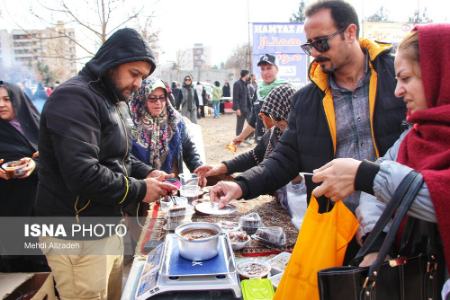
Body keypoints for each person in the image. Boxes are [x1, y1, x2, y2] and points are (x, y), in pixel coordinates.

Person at [210, 0, 406, 217]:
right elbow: (283, 158)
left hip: (403, 219)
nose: (314, 52)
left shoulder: (399, 76)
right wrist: (241, 185)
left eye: (321, 43)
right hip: (337, 225)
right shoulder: (306, 101)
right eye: (308, 45)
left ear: (350, 33)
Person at [35, 28, 177, 300]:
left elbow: (118, 157)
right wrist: (139, 189)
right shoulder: (74, 98)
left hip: (106, 226)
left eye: (143, 77)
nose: (138, 84)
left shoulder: (112, 100)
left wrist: (148, 172)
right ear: (111, 62)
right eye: (134, 73)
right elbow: (83, 173)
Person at [311, 24, 450, 296]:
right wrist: (378, 239)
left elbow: (439, 195)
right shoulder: (413, 137)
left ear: (439, 74)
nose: (398, 91)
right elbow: (377, 187)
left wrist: (366, 176)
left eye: (406, 78)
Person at [197, 84, 307, 228]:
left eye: (280, 123)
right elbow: (254, 156)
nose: (277, 127)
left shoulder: (305, 137)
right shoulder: (275, 133)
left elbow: (284, 169)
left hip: (304, 208)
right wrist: (221, 168)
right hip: (284, 202)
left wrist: (296, 178)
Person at [0, 81, 45, 272]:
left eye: (6, 99)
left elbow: (58, 156)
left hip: (44, 206)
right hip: (11, 208)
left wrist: (35, 164)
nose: (1, 104)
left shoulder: (39, 125)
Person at [129, 78, 205, 183]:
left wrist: (198, 168)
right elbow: (126, 158)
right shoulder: (129, 124)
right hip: (141, 187)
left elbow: (188, 148)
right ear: (142, 98)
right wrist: (147, 172)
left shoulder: (175, 121)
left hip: (171, 185)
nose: (158, 103)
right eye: (152, 98)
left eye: (162, 98)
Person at [233, 54, 286, 144]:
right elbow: (254, 120)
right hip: (261, 143)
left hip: (281, 145)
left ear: (277, 69)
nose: (265, 72)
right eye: (262, 69)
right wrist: (241, 137)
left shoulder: (285, 90)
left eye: (269, 68)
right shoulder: (258, 91)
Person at [232, 70, 251, 136]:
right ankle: (238, 141)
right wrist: (237, 109)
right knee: (240, 126)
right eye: (248, 74)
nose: (249, 76)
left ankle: (247, 138)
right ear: (245, 75)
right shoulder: (237, 84)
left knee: (252, 124)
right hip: (240, 109)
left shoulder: (246, 84)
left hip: (247, 108)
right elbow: (235, 97)